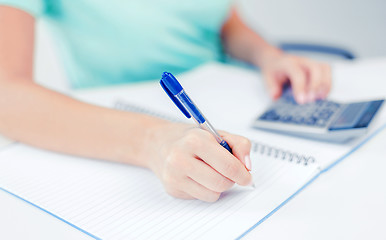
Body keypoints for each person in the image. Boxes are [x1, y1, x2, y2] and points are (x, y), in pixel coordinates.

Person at [0, 1, 331, 202]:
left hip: (235, 98)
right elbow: (5, 95)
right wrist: (153, 140)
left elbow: (224, 23)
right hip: (118, 127)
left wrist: (267, 56)